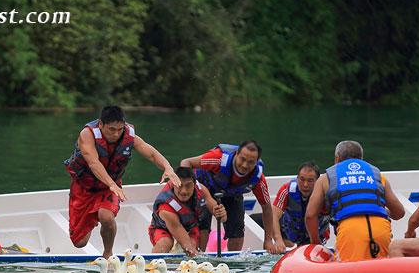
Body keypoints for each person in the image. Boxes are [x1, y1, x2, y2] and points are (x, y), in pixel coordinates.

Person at [65, 105, 180, 258]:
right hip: (84, 188)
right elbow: (94, 163)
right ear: (101, 124)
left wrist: (168, 167)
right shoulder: (87, 135)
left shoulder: (128, 135)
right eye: (111, 129)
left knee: (106, 216)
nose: (116, 134)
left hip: (110, 188)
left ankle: (108, 253)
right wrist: (111, 183)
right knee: (79, 242)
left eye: (119, 129)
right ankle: (92, 218)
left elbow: (150, 153)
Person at [305, 140, 404, 261]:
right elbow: (399, 212)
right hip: (381, 231)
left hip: (350, 233)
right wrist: (378, 210)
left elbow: (310, 215)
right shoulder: (377, 175)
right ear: (361, 159)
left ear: (337, 159)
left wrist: (316, 243)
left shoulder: (326, 179)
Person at [180, 141, 280, 254]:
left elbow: (266, 208)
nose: (245, 165)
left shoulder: (258, 179)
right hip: (204, 187)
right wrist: (190, 188)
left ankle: (233, 262)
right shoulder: (217, 158)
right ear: (236, 154)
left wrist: (268, 240)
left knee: (237, 230)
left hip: (231, 194)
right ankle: (198, 257)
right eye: (242, 159)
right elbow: (186, 162)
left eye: (251, 162)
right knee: (203, 224)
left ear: (256, 162)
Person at [149, 166, 227, 256]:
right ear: (174, 183)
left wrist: (222, 214)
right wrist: (193, 252)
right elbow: (187, 245)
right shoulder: (166, 207)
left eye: (188, 186)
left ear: (194, 184)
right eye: (179, 185)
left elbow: (223, 219)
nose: (184, 191)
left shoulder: (201, 189)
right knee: (165, 243)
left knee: (194, 245)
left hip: (190, 226)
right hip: (163, 227)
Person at [271, 162, 330, 252]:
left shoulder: (327, 194)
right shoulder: (286, 190)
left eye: (310, 181)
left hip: (319, 236)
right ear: (297, 178)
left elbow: (339, 217)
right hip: (292, 234)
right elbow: (274, 215)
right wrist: (278, 239)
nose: (305, 185)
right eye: (302, 179)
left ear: (318, 181)